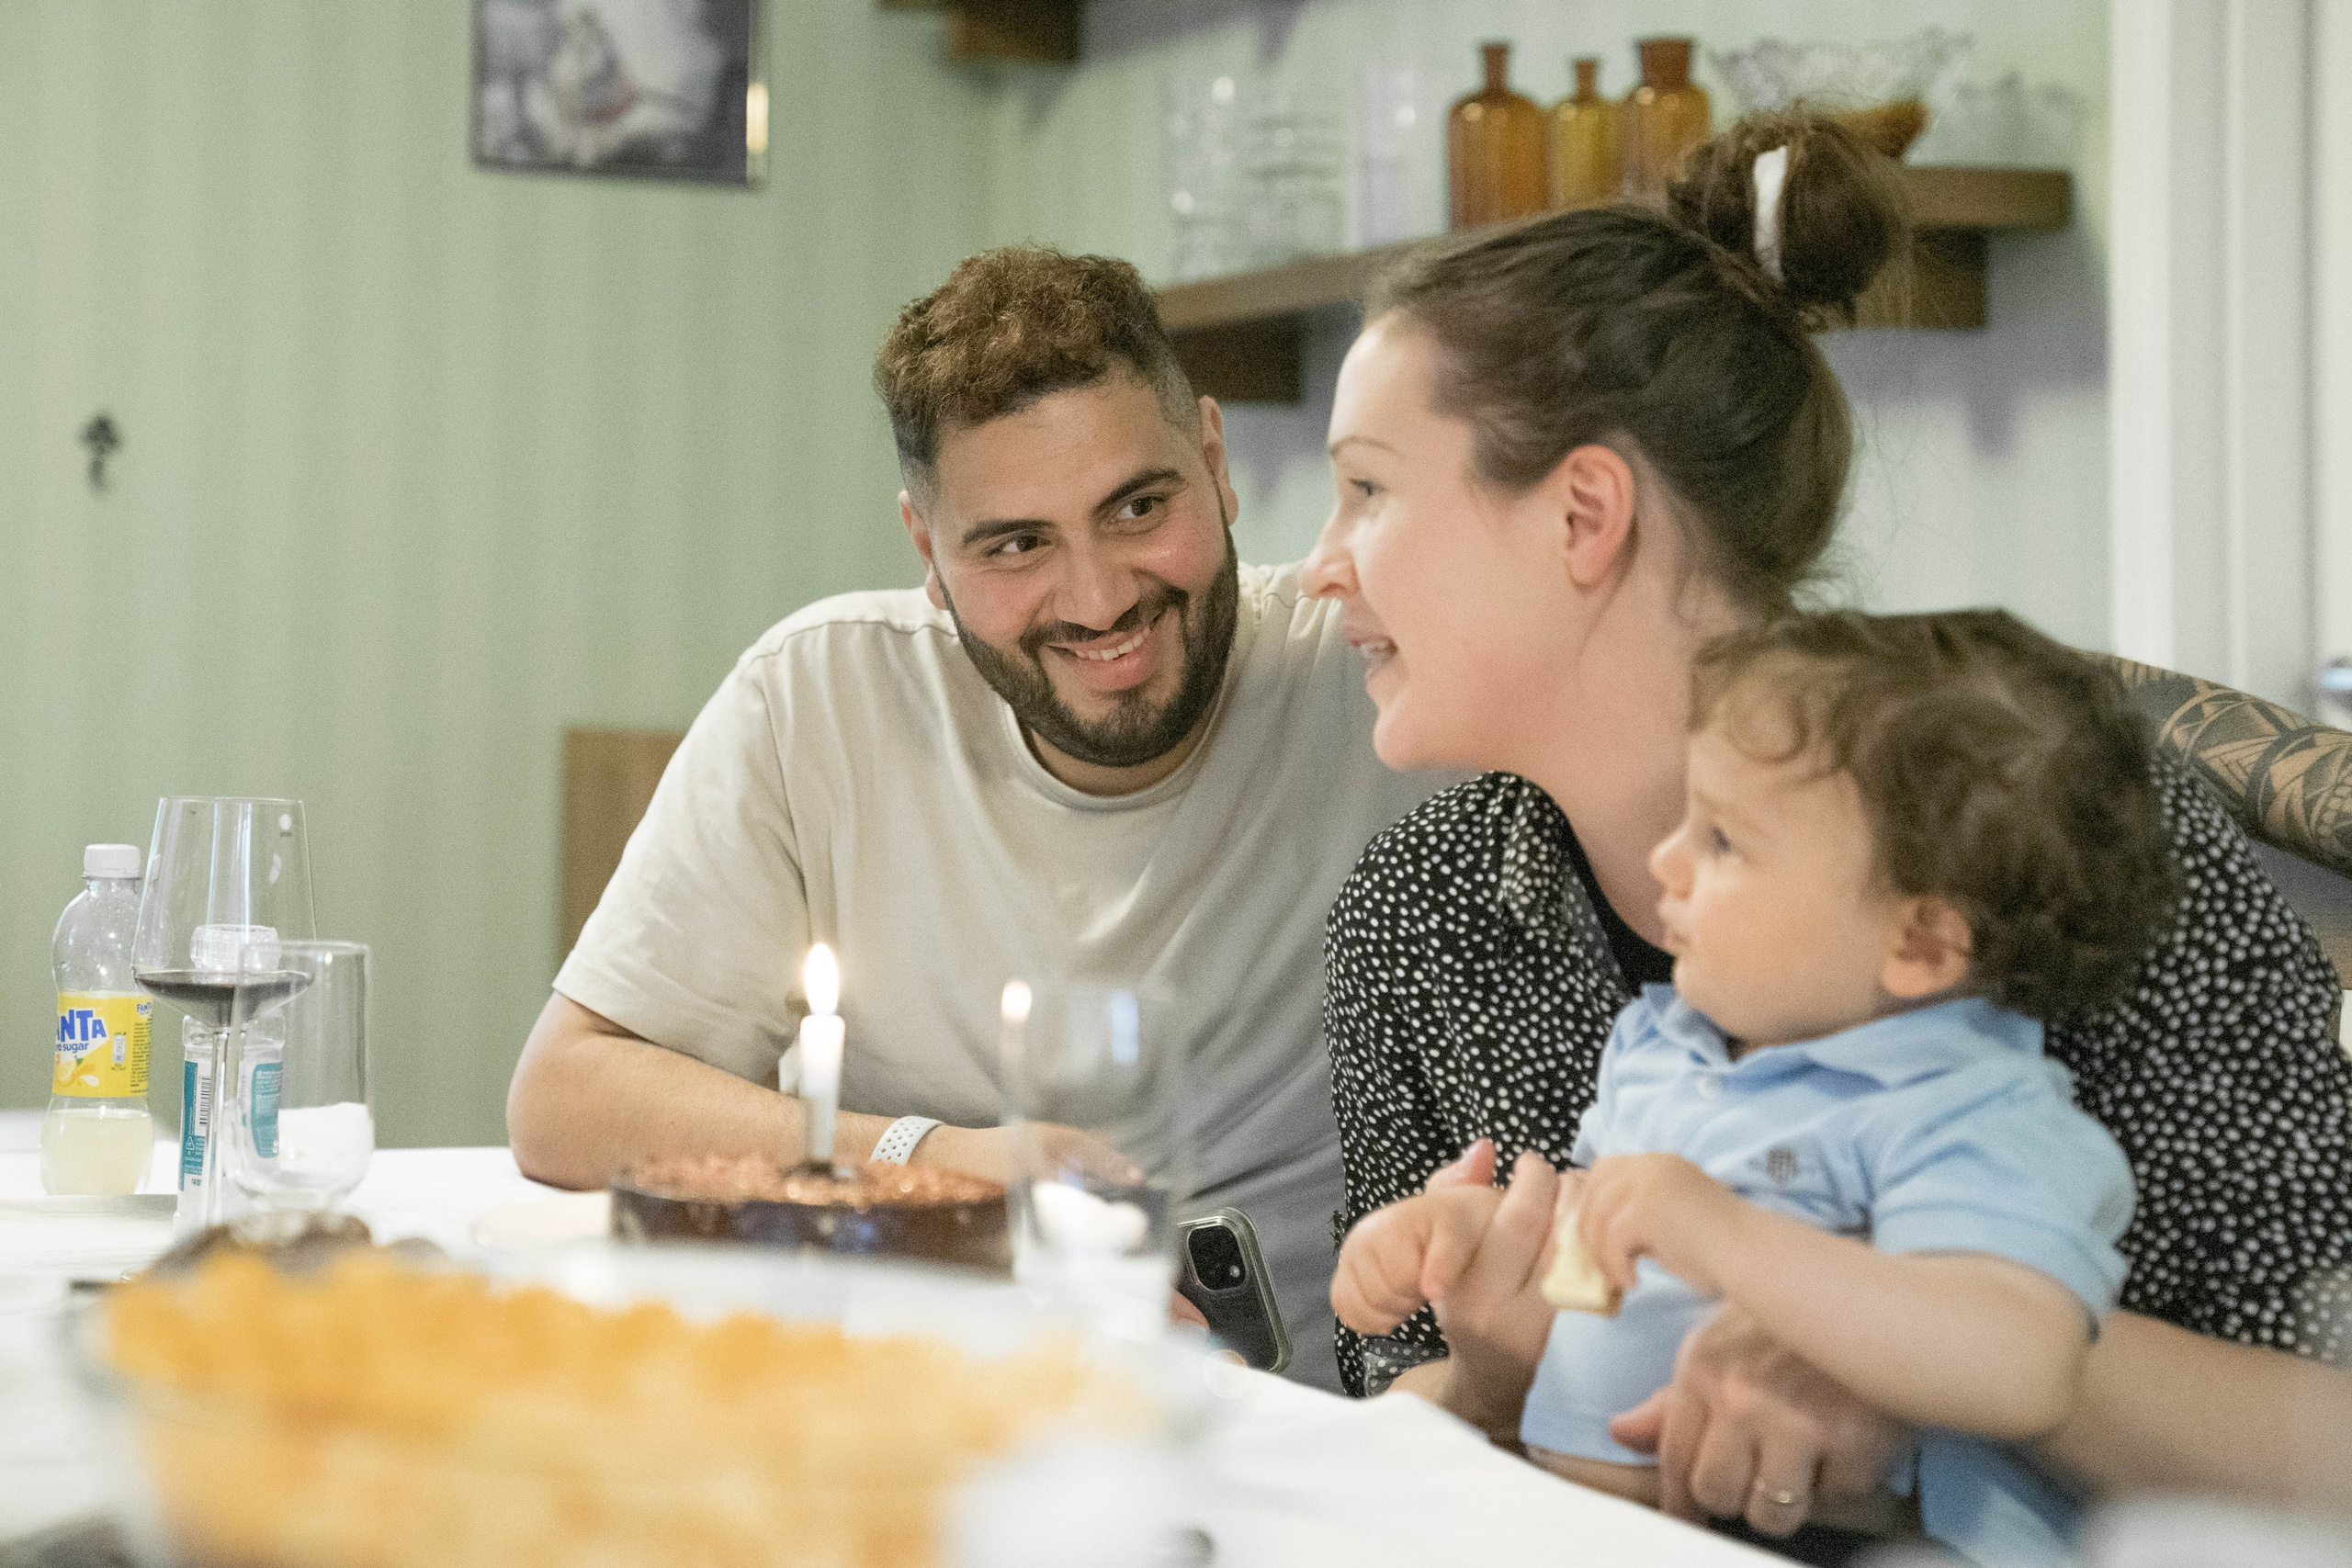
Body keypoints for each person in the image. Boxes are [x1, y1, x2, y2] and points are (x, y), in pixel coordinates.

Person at [1301, 107, 2352, 1541]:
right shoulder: (1415, 915)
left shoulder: (2045, 828)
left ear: (1582, 515)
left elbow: (2329, 1423)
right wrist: (1495, 1365)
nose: (1316, 568)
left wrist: (1902, 1367)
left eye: (1366, 488)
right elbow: (1400, 1383)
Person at [507, 247, 1441, 1392]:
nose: (1099, 598)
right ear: (928, 554)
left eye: (1138, 507)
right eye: (1015, 545)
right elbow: (563, 1100)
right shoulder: (818, 697)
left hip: (1313, 1442)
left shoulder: (1381, 661)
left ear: (1214, 459)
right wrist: (930, 1164)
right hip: (927, 1433)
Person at [1336, 609, 2180, 1564]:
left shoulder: (1968, 1108)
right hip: (1597, 1525)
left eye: (1725, 843)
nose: (1666, 862)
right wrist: (1472, 1239)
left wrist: (1724, 1236)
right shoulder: (1664, 1048)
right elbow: (1593, 1256)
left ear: (1920, 942)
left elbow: (2024, 1367)